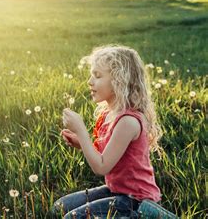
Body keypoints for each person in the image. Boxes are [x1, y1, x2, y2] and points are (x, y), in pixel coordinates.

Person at [54, 45, 162, 218]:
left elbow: (102, 167)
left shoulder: (128, 121)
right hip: (117, 191)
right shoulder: (109, 114)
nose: (90, 81)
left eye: (97, 76)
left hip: (136, 200)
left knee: (72, 217)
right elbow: (106, 155)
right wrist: (82, 143)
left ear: (119, 81)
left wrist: (81, 131)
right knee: (59, 207)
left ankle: (148, 215)